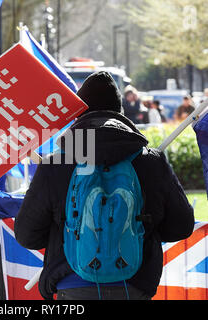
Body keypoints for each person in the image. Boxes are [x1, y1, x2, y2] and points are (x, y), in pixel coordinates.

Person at [14, 71, 194, 300]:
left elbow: (27, 235)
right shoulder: (151, 161)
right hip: (134, 284)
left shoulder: (56, 164)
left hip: (72, 284)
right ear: (120, 112)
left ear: (79, 114)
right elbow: (181, 226)